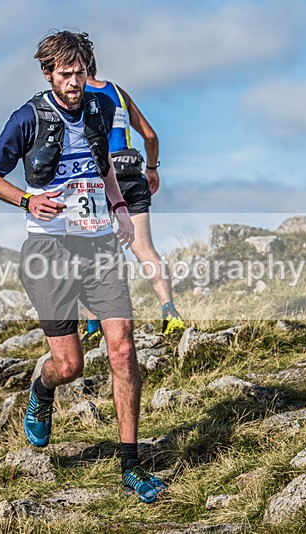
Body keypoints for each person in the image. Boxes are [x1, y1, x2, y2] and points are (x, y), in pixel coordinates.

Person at [0, 30, 166, 504]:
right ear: (49, 74)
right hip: (49, 251)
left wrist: (119, 207)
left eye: (81, 72)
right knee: (70, 365)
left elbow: (104, 168)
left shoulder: (100, 108)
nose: (75, 82)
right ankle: (42, 390)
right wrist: (27, 199)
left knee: (122, 348)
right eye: (66, 74)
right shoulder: (27, 117)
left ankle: (131, 465)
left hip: (99, 245)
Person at [82, 57, 185, 344]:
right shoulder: (118, 92)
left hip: (99, 178)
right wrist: (151, 169)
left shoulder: (75, 95)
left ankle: (93, 327)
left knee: (91, 252)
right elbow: (150, 136)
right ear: (96, 67)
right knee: (145, 249)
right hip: (130, 173)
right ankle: (170, 312)